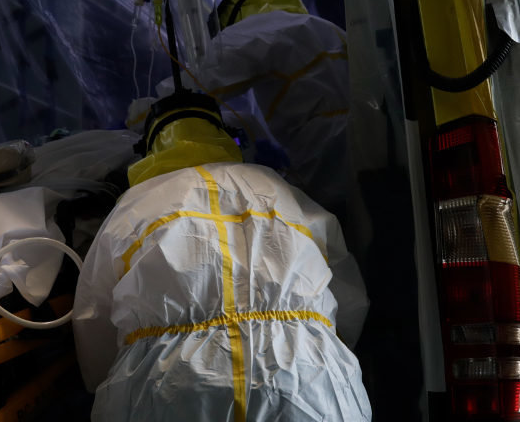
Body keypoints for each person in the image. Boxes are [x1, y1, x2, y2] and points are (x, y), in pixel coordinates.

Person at [73, 91, 371, 421]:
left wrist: (111, 380)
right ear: (224, 135)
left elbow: (93, 323)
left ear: (149, 146)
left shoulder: (132, 210)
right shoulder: (283, 193)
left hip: (172, 388)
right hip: (308, 382)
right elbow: (347, 302)